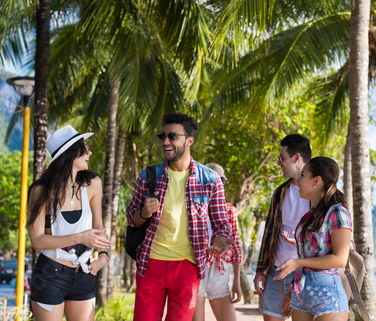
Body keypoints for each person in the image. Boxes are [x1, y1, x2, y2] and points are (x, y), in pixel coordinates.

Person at [126, 113, 233, 321]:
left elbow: (221, 224)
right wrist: (144, 213)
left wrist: (220, 242)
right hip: (151, 263)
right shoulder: (149, 176)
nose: (166, 141)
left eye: (172, 136)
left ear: (189, 140)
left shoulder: (210, 180)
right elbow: (132, 218)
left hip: (188, 266)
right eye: (163, 136)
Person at [27, 125, 112, 321]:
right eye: (84, 148)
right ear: (70, 153)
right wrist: (80, 237)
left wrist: (103, 258)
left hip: (84, 273)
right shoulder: (41, 191)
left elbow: (99, 227)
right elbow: (37, 241)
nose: (89, 153)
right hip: (50, 274)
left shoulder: (93, 184)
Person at [274, 157, 352, 320]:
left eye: (303, 175)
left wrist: (297, 263)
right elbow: (306, 258)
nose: (299, 180)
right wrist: (291, 292)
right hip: (300, 294)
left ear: (316, 180)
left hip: (328, 297)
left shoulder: (338, 212)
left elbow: (340, 259)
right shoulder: (308, 217)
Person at [254, 134, 312, 320]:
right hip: (276, 272)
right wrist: (260, 270)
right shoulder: (280, 192)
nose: (279, 163)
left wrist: (299, 238)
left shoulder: (320, 192)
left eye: (282, 158)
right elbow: (269, 233)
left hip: (305, 274)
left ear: (296, 158)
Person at [192, 163, 243, 321]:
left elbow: (236, 250)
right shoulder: (192, 209)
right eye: (212, 178)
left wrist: (237, 282)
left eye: (222, 179)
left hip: (219, 273)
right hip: (196, 271)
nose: (217, 182)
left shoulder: (229, 210)